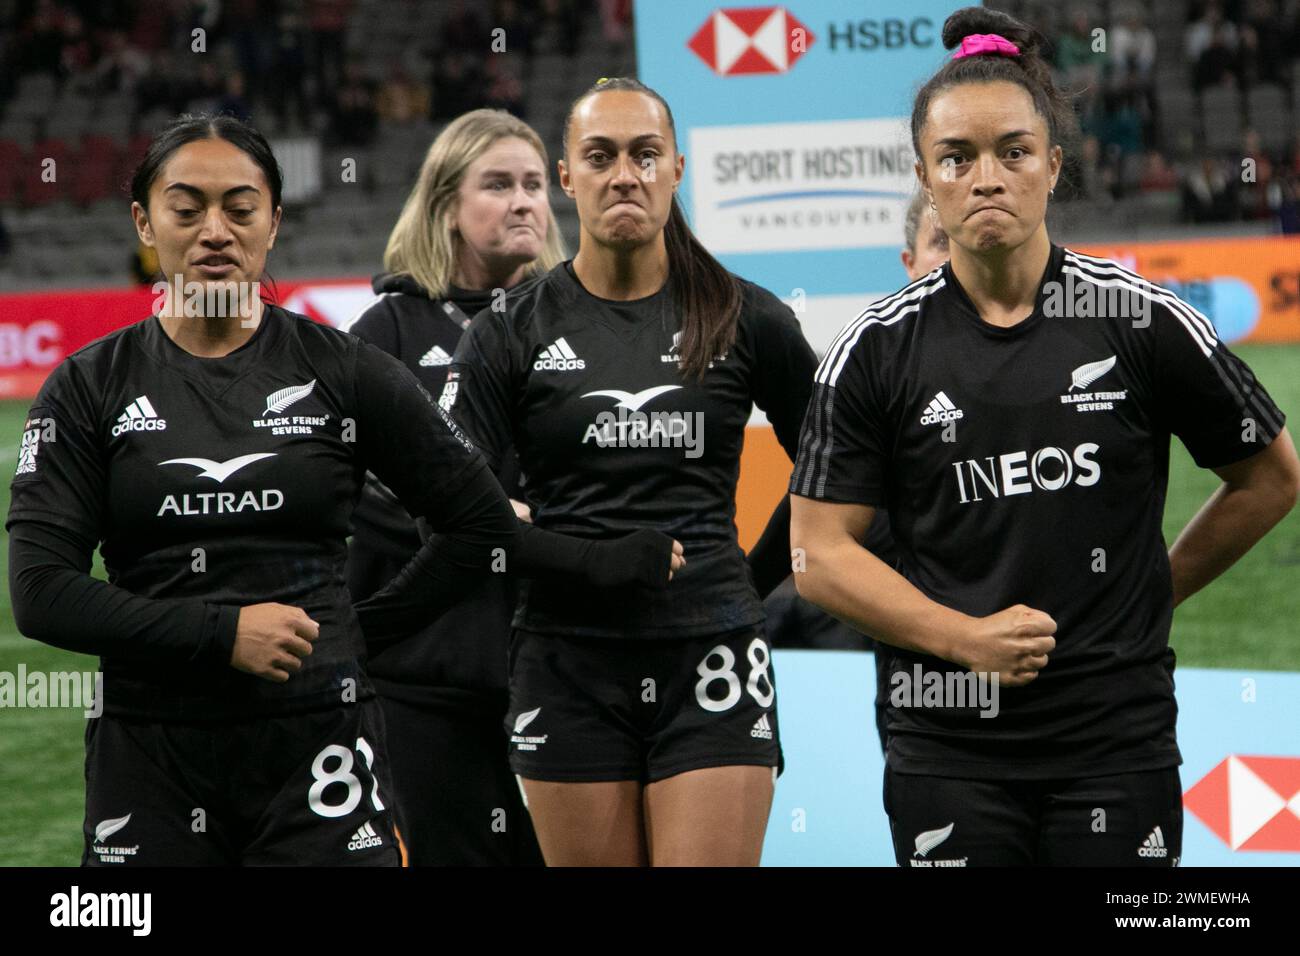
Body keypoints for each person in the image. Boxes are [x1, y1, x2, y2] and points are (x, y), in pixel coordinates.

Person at [789, 7, 1300, 867]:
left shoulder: (1139, 318)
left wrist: (1153, 592)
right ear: (926, 176)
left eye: (1014, 152)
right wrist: (961, 641)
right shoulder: (874, 349)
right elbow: (817, 554)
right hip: (949, 749)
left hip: (1117, 741)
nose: (987, 176)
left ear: (1053, 166)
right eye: (957, 158)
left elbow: (1270, 477)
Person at [6, 114, 518, 866]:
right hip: (149, 758)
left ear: (273, 223)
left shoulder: (346, 371)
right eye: (187, 209)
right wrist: (221, 635)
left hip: (319, 749)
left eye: (240, 209)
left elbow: (479, 524)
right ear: (145, 222)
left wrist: (356, 631)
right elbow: (41, 591)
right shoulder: (86, 388)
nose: (215, 230)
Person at [440, 77, 819, 866]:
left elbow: (836, 468)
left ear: (677, 167)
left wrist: (752, 579)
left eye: (646, 155)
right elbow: (455, 510)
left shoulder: (748, 317)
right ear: (567, 175)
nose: (626, 175)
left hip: (711, 654)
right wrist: (563, 553)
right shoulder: (508, 332)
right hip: (562, 658)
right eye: (601, 156)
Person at [343, 108, 567, 866]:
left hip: (568, 662)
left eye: (535, 185)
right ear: (445, 205)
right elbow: (347, 489)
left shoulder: (576, 321)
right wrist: (468, 516)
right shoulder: (385, 333)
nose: (523, 201)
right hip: (427, 677)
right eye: (497, 184)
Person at [763, 191, 950, 756]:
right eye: (940, 241)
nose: (954, 256)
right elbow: (815, 514)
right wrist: (741, 598)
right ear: (909, 261)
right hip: (920, 683)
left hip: (1057, 681)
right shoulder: (867, 372)